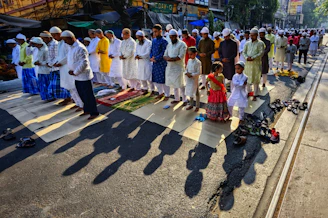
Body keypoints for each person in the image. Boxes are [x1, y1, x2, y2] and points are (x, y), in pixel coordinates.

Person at [62, 30, 99, 120]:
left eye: (65, 40)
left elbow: (84, 63)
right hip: (76, 76)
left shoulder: (80, 47)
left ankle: (94, 112)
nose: (65, 42)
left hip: (84, 76)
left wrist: (75, 72)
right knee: (82, 94)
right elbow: (69, 59)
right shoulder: (71, 47)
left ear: (71, 38)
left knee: (88, 95)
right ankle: (87, 109)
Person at [49, 27, 76, 106]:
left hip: (67, 66)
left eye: (54, 36)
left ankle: (77, 101)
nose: (54, 38)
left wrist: (60, 62)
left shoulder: (66, 43)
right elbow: (59, 56)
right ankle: (75, 101)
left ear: (59, 34)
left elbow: (68, 55)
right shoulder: (60, 43)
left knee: (72, 85)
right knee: (67, 85)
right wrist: (55, 62)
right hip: (62, 67)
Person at [164, 29, 187, 105]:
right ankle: (177, 99)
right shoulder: (169, 44)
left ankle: (184, 100)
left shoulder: (182, 44)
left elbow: (181, 56)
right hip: (170, 67)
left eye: (173, 37)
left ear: (176, 36)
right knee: (174, 84)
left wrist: (172, 59)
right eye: (170, 37)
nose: (172, 39)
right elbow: (165, 55)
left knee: (181, 84)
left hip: (178, 67)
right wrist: (168, 58)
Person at [243, 28, 265, 101]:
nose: (251, 37)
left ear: (257, 35)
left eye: (253, 35)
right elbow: (244, 52)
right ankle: (248, 92)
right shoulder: (247, 43)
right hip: (248, 64)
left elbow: (261, 52)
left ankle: (255, 94)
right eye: (251, 35)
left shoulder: (260, 43)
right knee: (248, 79)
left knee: (256, 80)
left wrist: (253, 57)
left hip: (256, 64)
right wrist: (246, 57)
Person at [150, 24, 170, 100]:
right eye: (153, 32)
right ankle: (160, 93)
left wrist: (156, 58)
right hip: (155, 63)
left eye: (156, 32)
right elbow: (151, 50)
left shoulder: (164, 41)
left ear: (160, 31)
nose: (154, 33)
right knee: (156, 79)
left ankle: (167, 94)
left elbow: (164, 52)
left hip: (162, 63)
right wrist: (151, 57)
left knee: (164, 79)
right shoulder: (154, 40)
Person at [31, 37, 54, 101]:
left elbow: (47, 61)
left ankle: (50, 97)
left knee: (47, 85)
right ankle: (46, 97)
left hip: (46, 71)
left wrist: (40, 63)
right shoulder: (39, 50)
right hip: (41, 70)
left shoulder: (45, 50)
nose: (35, 45)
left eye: (35, 44)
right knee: (42, 85)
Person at [135, 30, 154, 95]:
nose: (138, 39)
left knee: (149, 77)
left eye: (139, 37)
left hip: (146, 62)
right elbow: (136, 51)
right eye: (137, 38)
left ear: (142, 36)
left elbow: (148, 53)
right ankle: (145, 88)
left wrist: (140, 56)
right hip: (140, 62)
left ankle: (152, 89)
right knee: (141, 77)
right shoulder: (138, 43)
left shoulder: (148, 42)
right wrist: (136, 56)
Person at [185, 47, 201, 112]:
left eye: (191, 54)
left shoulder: (198, 62)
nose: (190, 56)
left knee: (196, 92)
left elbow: (199, 72)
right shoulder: (189, 60)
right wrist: (187, 73)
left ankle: (197, 106)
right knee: (190, 91)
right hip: (189, 79)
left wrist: (191, 75)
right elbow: (186, 69)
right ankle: (191, 104)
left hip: (195, 79)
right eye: (189, 54)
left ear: (195, 54)